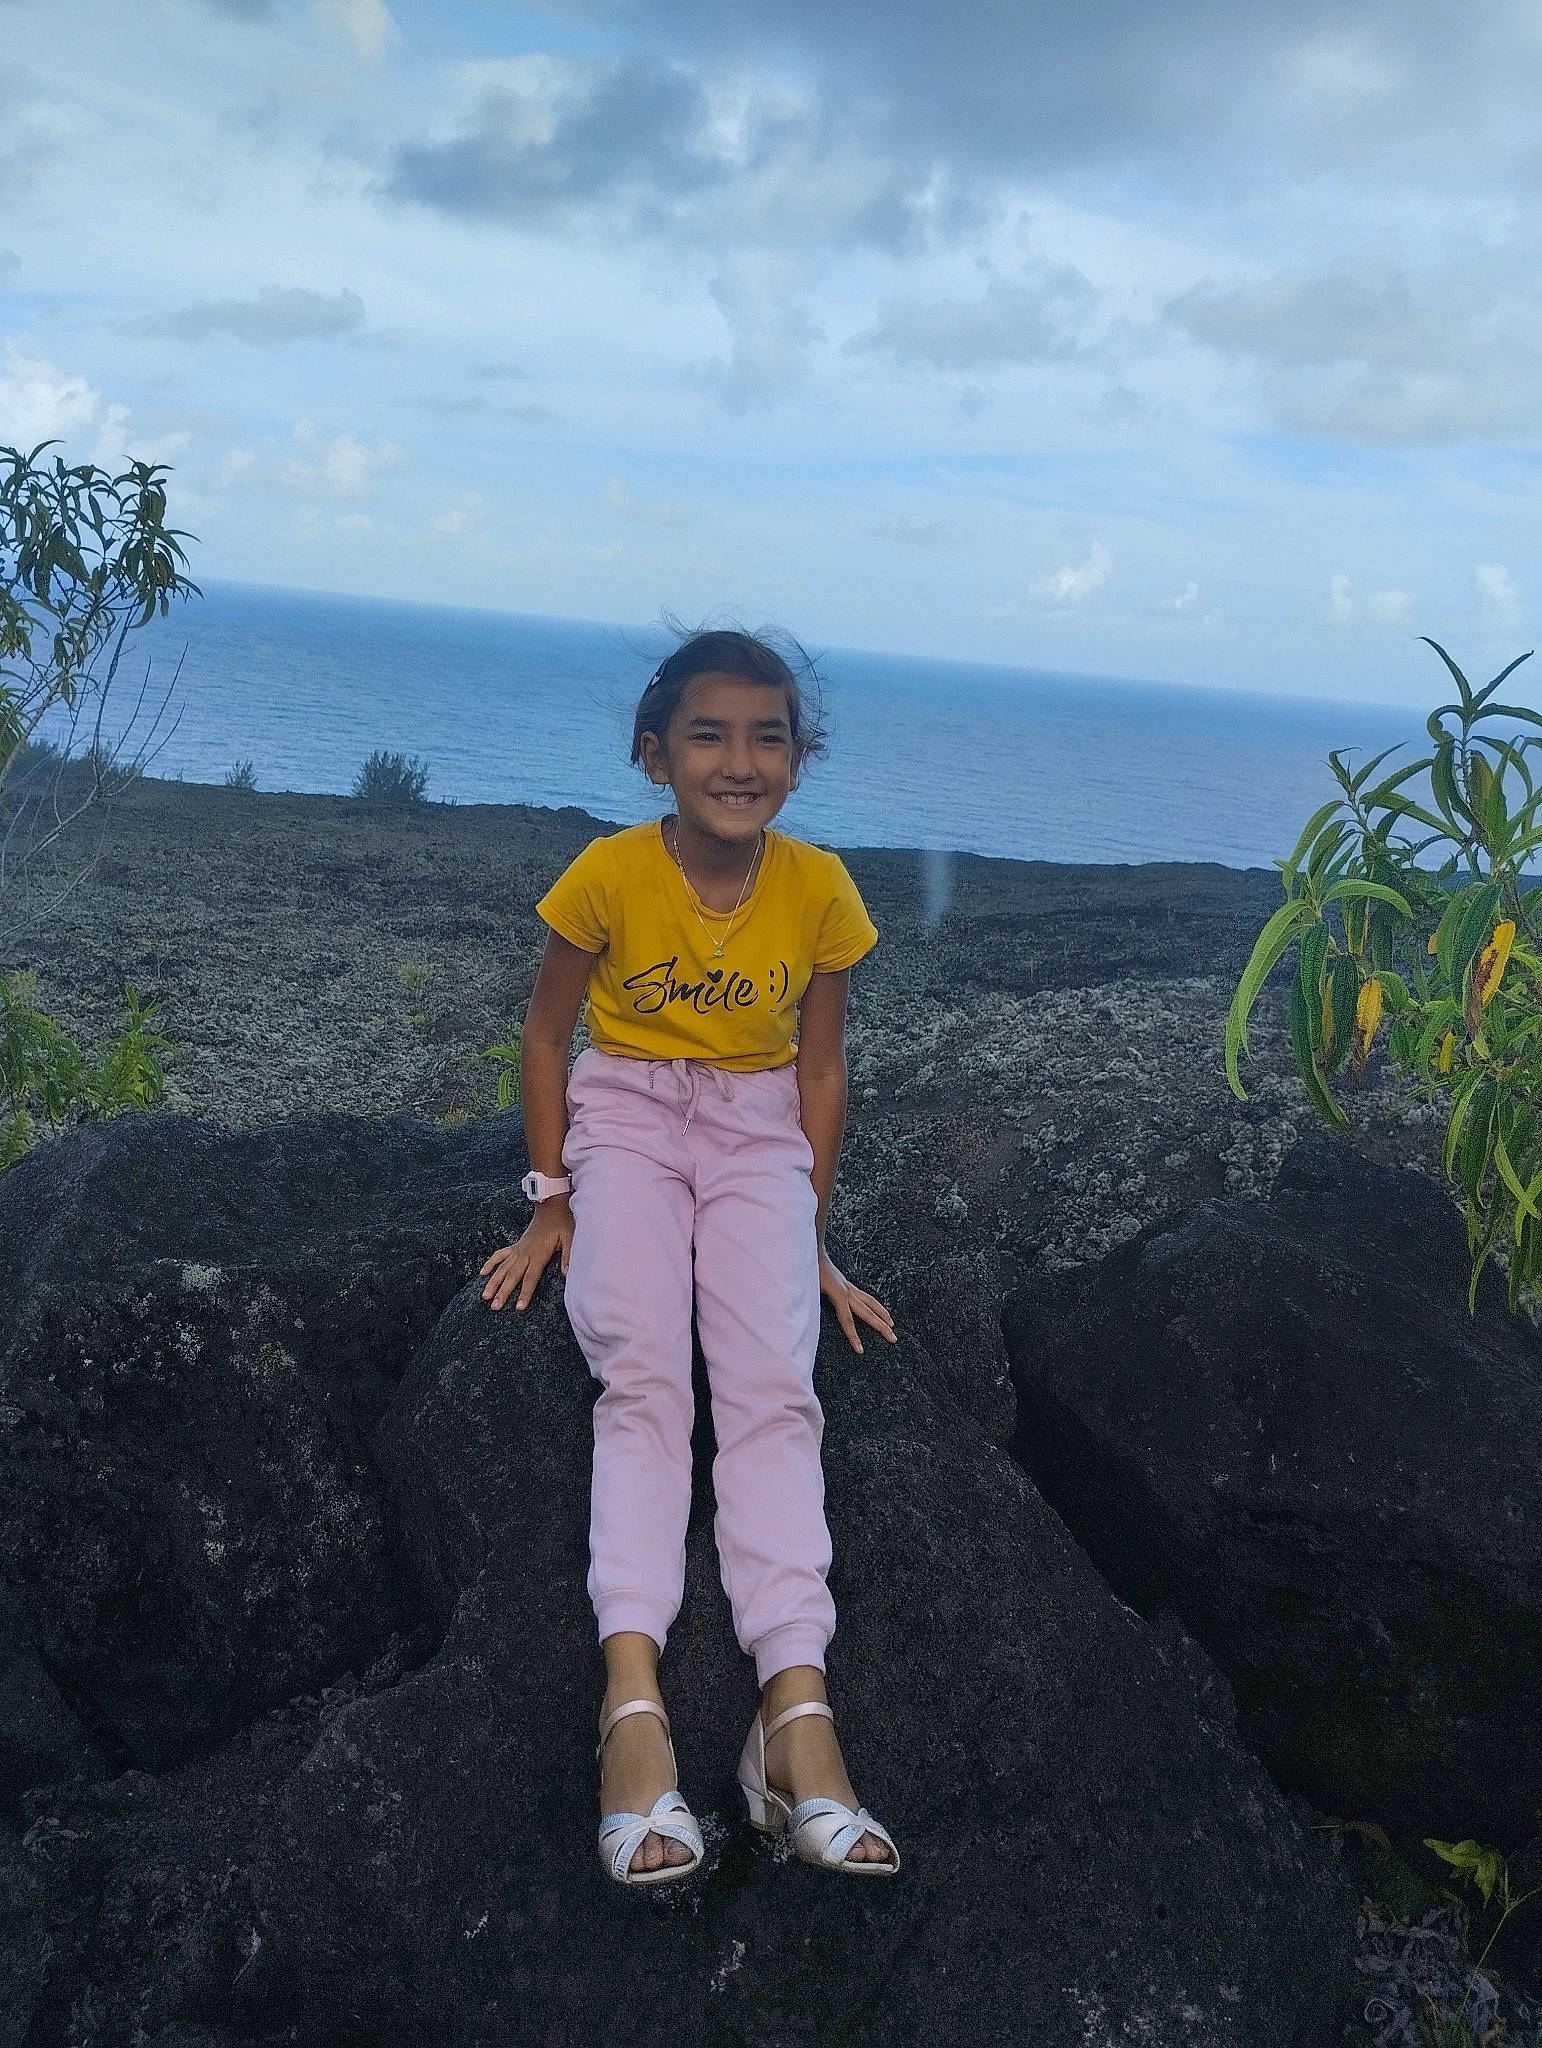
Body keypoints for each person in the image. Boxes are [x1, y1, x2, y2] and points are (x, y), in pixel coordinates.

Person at [478, 627, 902, 1888]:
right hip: (627, 1122)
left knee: (775, 1382)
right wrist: (552, 1200)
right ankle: (633, 1704)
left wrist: (812, 1244)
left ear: (800, 756)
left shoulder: (820, 888)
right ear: (654, 754)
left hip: (757, 1133)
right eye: (709, 734)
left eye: (769, 734)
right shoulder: (608, 872)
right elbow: (548, 1036)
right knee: (645, 1371)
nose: (741, 758)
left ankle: (797, 1718)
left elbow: (820, 1072)